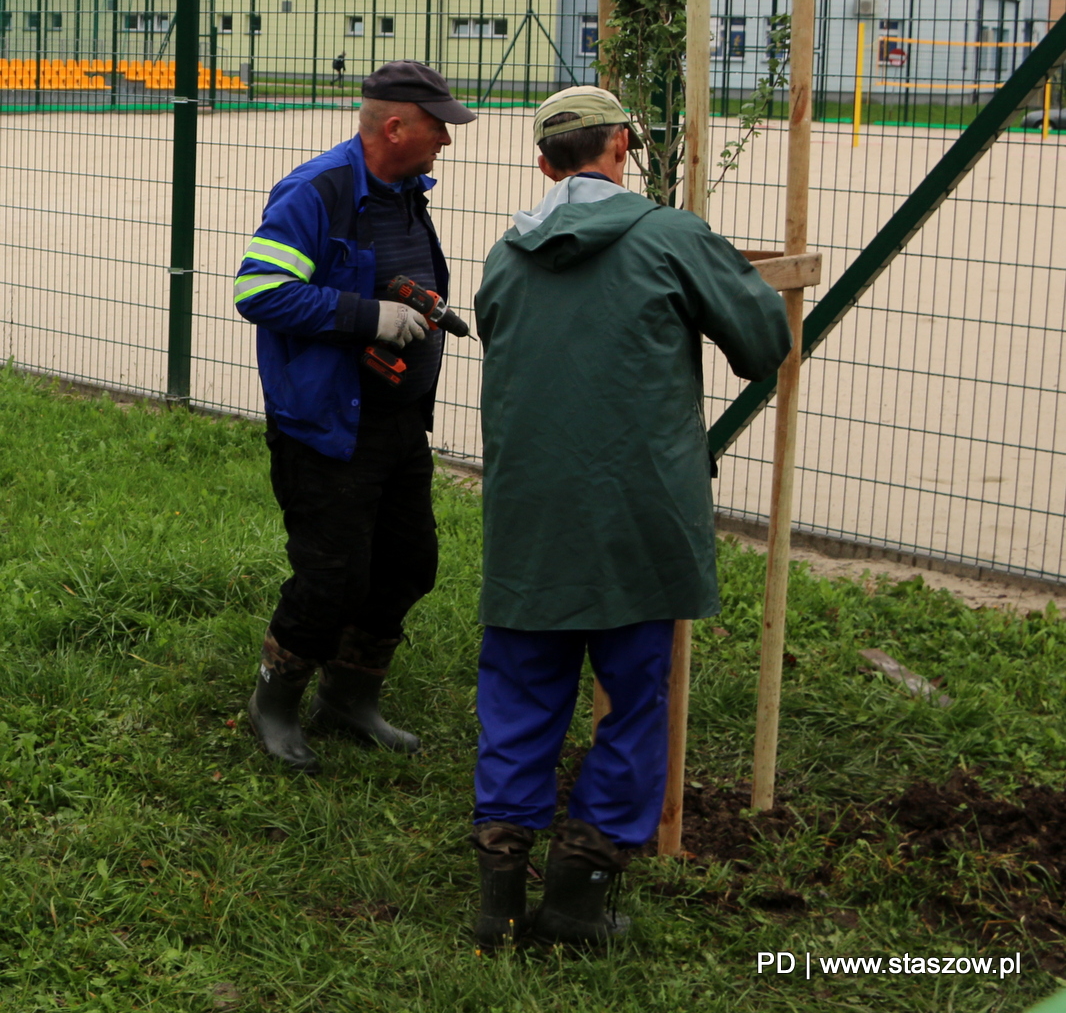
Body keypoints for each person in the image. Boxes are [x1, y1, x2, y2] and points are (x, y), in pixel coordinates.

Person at [469, 85, 792, 945]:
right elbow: (764, 345)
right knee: (634, 700)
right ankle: (578, 898)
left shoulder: (506, 255)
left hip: (528, 517)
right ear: (623, 146)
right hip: (639, 518)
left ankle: (497, 894)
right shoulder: (672, 237)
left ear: (545, 163)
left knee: (519, 692)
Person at [234, 60, 476, 773]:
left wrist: (424, 306)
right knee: (332, 577)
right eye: (439, 128)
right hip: (327, 427)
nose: (448, 143)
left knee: (408, 564)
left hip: (400, 424)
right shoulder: (319, 191)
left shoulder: (404, 194)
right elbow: (260, 289)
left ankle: (349, 698)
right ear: (395, 126)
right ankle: (273, 703)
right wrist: (370, 316)